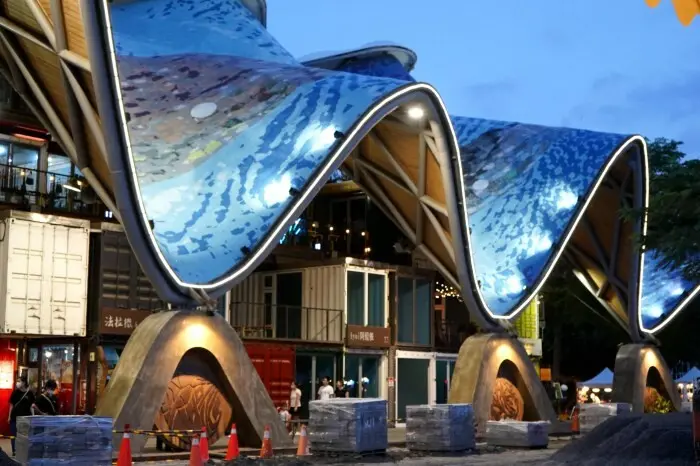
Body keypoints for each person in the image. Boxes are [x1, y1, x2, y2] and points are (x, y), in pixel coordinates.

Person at [8, 377, 34, 456]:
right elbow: (11, 405)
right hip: (15, 417)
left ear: (24, 383)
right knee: (13, 434)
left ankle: (23, 450)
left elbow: (31, 406)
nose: (17, 383)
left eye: (19, 381)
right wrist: (9, 416)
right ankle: (14, 451)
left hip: (25, 418)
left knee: (24, 435)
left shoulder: (30, 393)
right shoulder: (15, 392)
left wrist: (33, 416)